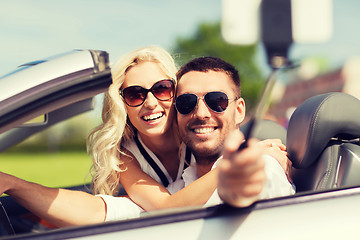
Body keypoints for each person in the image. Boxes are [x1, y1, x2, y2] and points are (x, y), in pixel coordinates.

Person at [174, 56, 295, 207]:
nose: (201, 113)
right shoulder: (177, 188)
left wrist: (238, 188)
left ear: (239, 110)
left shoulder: (265, 165)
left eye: (217, 100)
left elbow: (246, 186)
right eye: (186, 102)